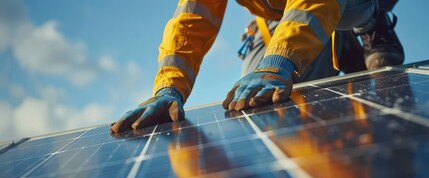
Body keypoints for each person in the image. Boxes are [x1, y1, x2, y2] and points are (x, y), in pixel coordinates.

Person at [110, 0, 404, 133]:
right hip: (283, 12)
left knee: (329, 18)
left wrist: (278, 61)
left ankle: (370, 24)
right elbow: (191, 21)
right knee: (263, 108)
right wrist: (168, 88)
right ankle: (333, 44)